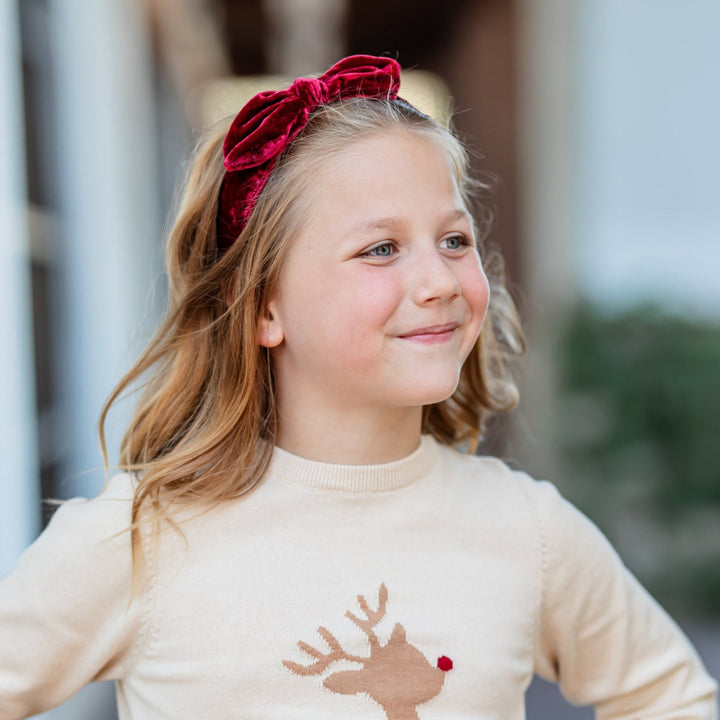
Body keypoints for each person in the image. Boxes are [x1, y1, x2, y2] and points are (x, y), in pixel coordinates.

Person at [0, 54, 716, 720]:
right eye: (380, 249)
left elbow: (672, 696)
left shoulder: (526, 530)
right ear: (262, 308)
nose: (439, 281)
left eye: (455, 240)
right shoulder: (141, 539)